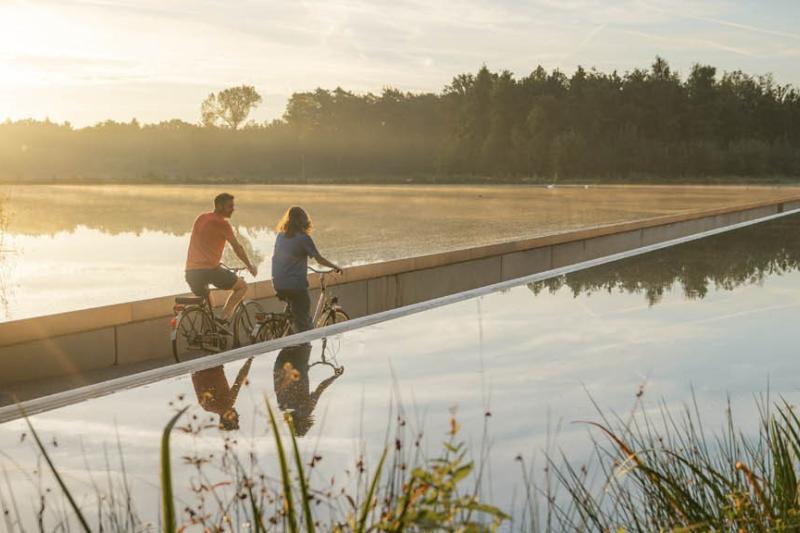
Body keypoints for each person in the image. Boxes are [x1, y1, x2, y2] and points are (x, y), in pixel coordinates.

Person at [185, 193, 258, 331]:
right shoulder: (222, 224)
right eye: (229, 206)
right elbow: (237, 248)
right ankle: (223, 319)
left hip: (190, 272)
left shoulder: (200, 218)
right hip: (209, 271)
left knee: (208, 307)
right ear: (219, 206)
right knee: (242, 286)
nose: (232, 209)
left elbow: (204, 242)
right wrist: (250, 266)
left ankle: (208, 335)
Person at [271, 206, 340, 333]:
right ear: (304, 221)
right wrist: (335, 267)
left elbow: (279, 257)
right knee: (305, 324)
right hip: (295, 285)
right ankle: (306, 347)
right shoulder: (303, 238)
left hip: (277, 283)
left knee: (295, 313)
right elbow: (319, 259)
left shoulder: (280, 236)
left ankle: (289, 335)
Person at [273, 344, 342, 436]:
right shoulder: (282, 407)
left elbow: (320, 388)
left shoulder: (306, 410)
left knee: (306, 337)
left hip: (298, 363)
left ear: (303, 424)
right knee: (290, 340)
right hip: (280, 362)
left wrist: (335, 376)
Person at [192, 358, 253, 431]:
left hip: (213, 363)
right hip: (195, 366)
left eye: (235, 417)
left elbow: (240, 379)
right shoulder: (206, 407)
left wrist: (249, 360)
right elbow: (195, 379)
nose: (236, 414)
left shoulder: (228, 402)